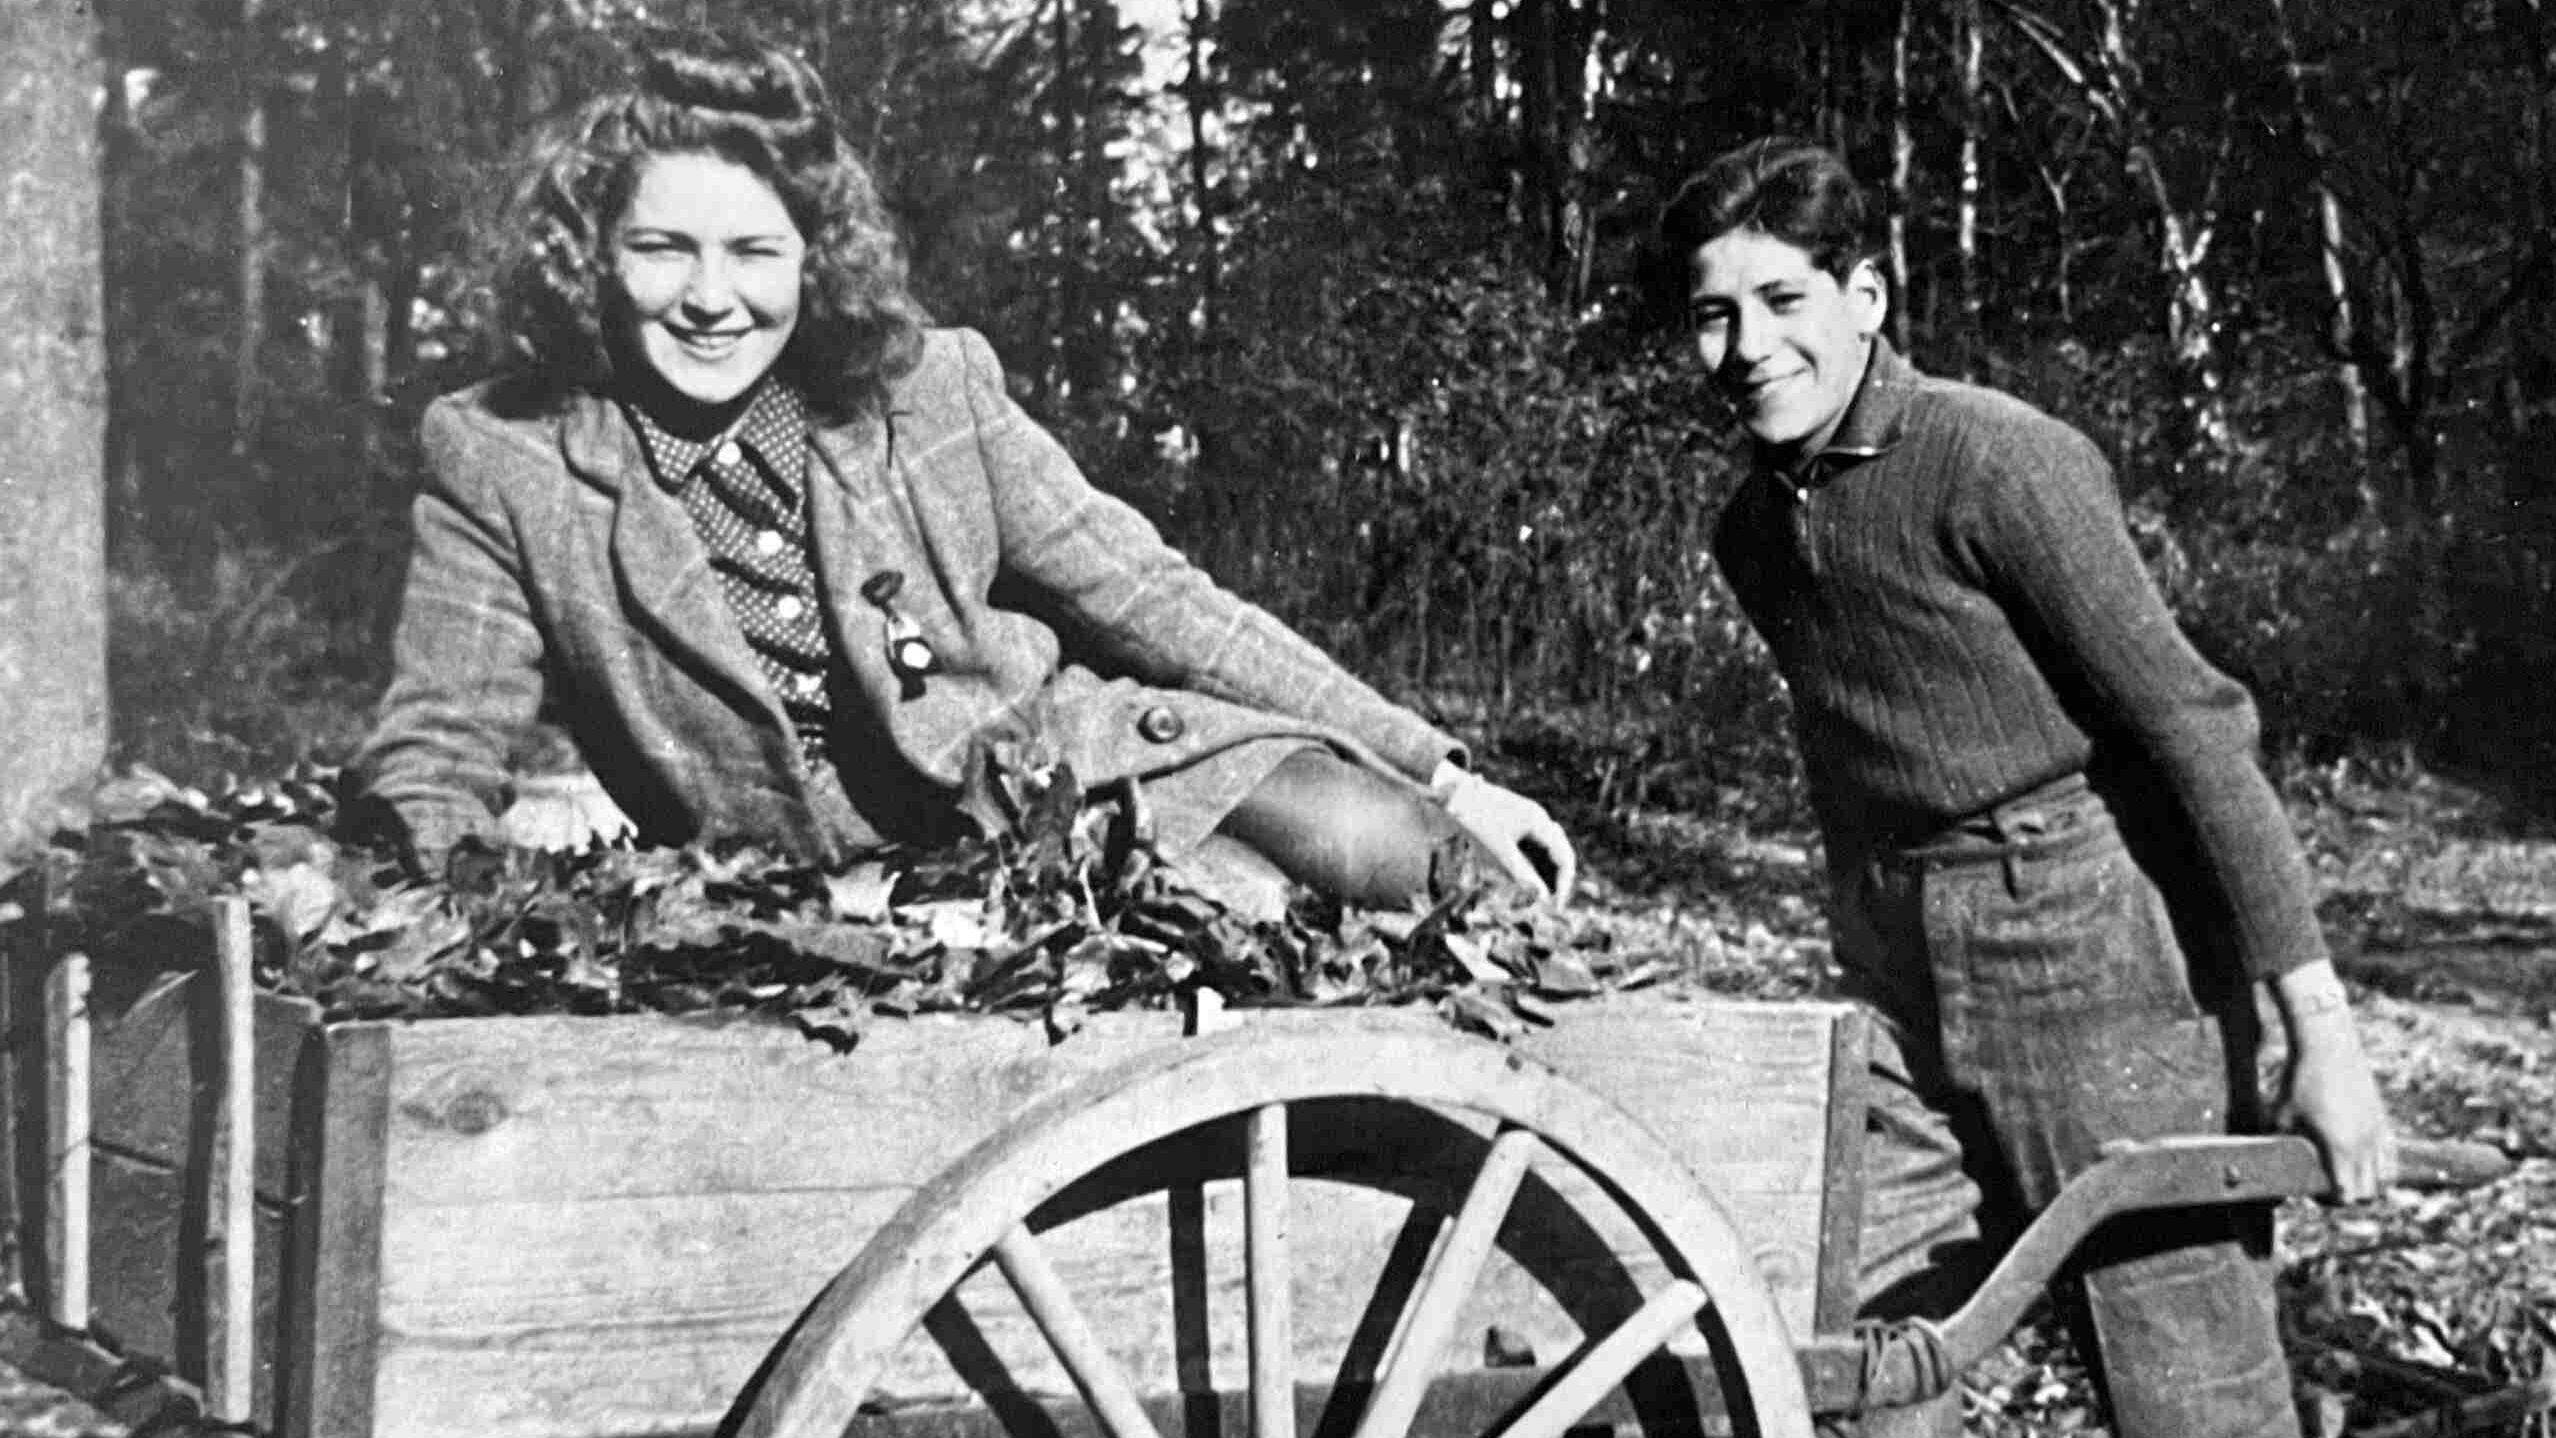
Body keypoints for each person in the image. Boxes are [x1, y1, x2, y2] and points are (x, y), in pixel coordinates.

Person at [347, 31, 1575, 912]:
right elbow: (439, 745)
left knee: (1418, 864)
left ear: (812, 258)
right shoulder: (505, 455)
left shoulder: (930, 391)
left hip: (1085, 779)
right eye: (662, 248)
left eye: (754, 252)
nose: (711, 298)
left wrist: (1441, 772)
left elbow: (1153, 598)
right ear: (592, 259)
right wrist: (429, 910)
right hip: (821, 905)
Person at [1658, 137, 2393, 1437]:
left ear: (1866, 297)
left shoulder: (1997, 462)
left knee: (2188, 1388)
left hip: (2086, 955)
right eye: (1715, 314)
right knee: (1867, 1359)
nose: (1749, 347)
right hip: (1893, 979)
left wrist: (2319, 1029)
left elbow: (2196, 728)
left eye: (1784, 302)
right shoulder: (1750, 533)